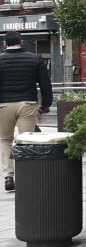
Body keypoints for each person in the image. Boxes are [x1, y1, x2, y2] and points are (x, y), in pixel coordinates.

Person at [0, 32, 53, 191]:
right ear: (21, 42)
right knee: (26, 140)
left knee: (5, 140)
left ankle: (9, 175)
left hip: (4, 105)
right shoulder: (35, 59)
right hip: (27, 103)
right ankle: (25, 175)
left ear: (5, 44)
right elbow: (45, 84)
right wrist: (45, 104)